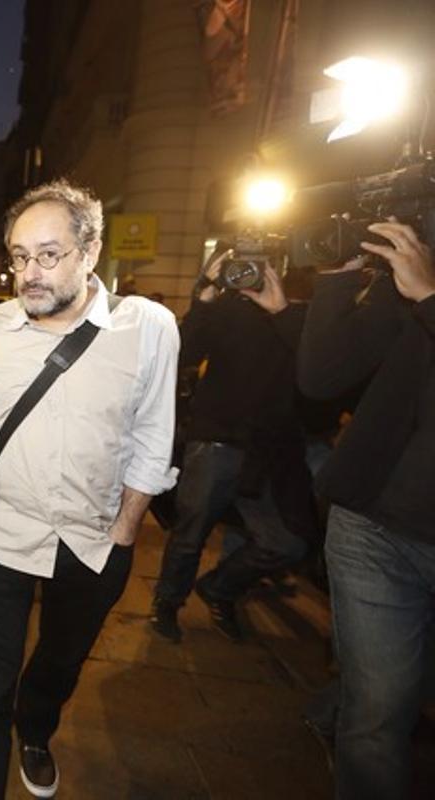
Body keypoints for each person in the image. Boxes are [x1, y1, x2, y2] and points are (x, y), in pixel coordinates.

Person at [0, 180, 178, 799]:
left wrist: (127, 528)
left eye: (48, 255)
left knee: (60, 660)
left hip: (93, 540)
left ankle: (38, 727)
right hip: (1, 531)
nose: (29, 273)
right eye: (19, 256)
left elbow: (155, 437)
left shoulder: (149, 327)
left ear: (91, 250)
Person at [297, 221, 435, 800]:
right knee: (376, 721)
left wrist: (431, 300)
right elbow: (321, 376)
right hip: (371, 530)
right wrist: (335, 277)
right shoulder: (415, 273)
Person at [149, 249, 314, 643]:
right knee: (191, 534)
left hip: (271, 449)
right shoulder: (223, 308)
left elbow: (317, 374)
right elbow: (183, 355)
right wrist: (202, 297)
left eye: (264, 263)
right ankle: (167, 605)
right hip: (216, 440)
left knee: (286, 543)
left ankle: (220, 587)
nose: (254, 272)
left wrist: (283, 312)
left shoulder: (303, 314)